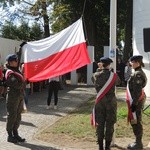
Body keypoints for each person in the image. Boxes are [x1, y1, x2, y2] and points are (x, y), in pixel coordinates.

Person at [91, 57, 118, 150]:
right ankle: (107, 146)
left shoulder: (96, 75)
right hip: (111, 103)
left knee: (100, 124)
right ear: (109, 65)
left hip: (100, 103)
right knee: (110, 125)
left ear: (101, 64)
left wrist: (99, 69)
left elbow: (93, 78)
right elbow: (119, 81)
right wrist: (111, 71)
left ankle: (100, 147)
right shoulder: (114, 76)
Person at [126, 55, 147, 150]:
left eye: (132, 62)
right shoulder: (137, 72)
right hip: (136, 100)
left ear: (137, 63)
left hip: (137, 101)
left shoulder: (138, 74)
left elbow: (137, 91)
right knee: (135, 120)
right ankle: (137, 142)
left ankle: (138, 144)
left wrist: (134, 104)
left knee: (136, 121)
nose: (131, 64)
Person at [5, 54, 25, 143]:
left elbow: (21, 82)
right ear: (10, 62)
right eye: (15, 61)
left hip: (19, 95)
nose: (17, 62)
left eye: (17, 60)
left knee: (18, 115)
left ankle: (15, 133)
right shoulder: (9, 72)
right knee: (12, 115)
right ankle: (10, 135)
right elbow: (16, 84)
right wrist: (23, 82)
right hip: (13, 96)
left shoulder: (17, 71)